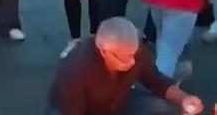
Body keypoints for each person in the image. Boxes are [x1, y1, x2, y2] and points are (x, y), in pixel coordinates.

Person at [48, 17, 204, 115]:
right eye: (124, 58)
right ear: (104, 52)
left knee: (164, 108)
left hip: (118, 101)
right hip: (75, 109)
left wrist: (184, 98)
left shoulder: (136, 50)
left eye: (134, 54)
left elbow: (157, 81)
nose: (132, 62)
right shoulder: (75, 69)